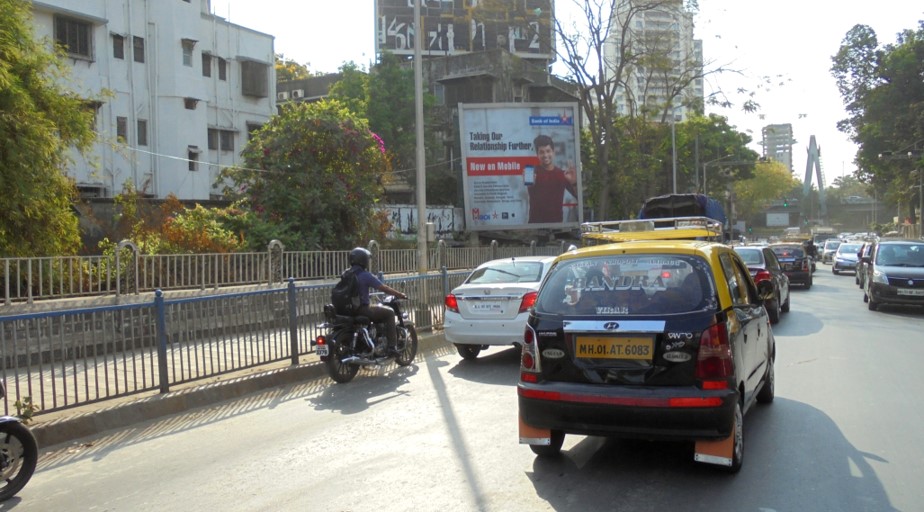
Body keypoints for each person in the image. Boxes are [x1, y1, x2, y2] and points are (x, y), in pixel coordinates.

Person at [348, 247, 408, 355]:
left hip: (348, 310)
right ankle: (392, 347)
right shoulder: (364, 275)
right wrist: (399, 294)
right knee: (389, 312)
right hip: (362, 309)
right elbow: (383, 288)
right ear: (363, 260)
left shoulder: (346, 274)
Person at [527, 134, 577, 223]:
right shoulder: (532, 173)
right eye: (541, 152)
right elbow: (529, 184)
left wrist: (574, 182)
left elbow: (578, 196)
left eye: (548, 151)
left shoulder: (562, 174)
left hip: (557, 226)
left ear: (553, 152)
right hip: (535, 226)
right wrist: (530, 181)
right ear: (537, 154)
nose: (545, 155)